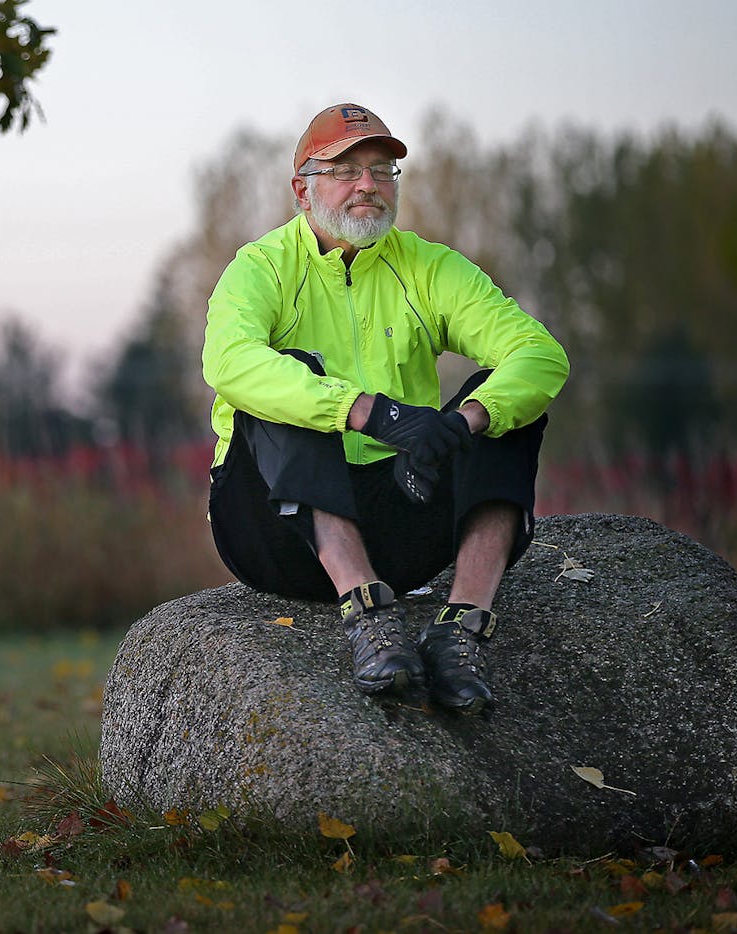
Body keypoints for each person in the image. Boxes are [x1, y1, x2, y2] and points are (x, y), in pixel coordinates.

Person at [202, 103, 569, 714]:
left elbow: (540, 353)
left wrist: (462, 422)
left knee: (507, 403)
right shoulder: (260, 266)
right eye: (345, 170)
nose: (367, 185)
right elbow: (229, 362)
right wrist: (364, 410)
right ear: (302, 190)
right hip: (274, 528)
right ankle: (368, 614)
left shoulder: (428, 265)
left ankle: (460, 630)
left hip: (402, 509)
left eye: (381, 170)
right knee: (283, 383)